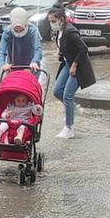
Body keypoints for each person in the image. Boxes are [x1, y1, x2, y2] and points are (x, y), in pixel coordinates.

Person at [47, 7, 96, 139]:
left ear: (62, 19)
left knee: (67, 95)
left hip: (78, 67)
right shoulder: (58, 31)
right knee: (57, 91)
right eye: (50, 21)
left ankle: (68, 128)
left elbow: (83, 49)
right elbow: (65, 46)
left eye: (53, 21)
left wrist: (74, 65)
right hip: (67, 64)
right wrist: (61, 53)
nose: (51, 24)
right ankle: (73, 108)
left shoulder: (70, 32)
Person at [0, 7, 43, 73]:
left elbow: (38, 49)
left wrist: (35, 61)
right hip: (13, 66)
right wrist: (2, 65)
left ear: (26, 25)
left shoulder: (32, 31)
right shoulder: (7, 32)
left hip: (31, 66)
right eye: (16, 30)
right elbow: (1, 51)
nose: (19, 32)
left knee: (31, 78)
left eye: (21, 30)